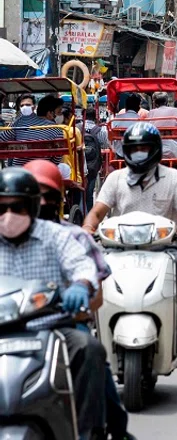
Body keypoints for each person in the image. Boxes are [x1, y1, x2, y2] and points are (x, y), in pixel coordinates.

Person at [24, 160, 134, 440]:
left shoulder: (73, 237)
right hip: (15, 329)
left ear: (59, 199)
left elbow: (95, 294)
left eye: (49, 196)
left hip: (63, 325)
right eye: (36, 196)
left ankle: (98, 429)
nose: (43, 203)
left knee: (90, 351)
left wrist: (79, 298)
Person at [0, 168, 107, 439]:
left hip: (52, 327)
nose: (8, 215)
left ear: (33, 206)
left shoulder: (57, 235)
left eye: (17, 207)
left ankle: (86, 432)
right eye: (2, 207)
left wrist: (81, 285)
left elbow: (81, 264)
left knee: (88, 349)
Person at [83, 123, 177, 361]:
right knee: (89, 272)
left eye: (145, 148)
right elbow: (97, 212)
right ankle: (90, 329)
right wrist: (87, 228)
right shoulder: (115, 178)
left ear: (156, 150)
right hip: (117, 249)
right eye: (134, 149)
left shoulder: (173, 178)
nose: (140, 154)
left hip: (162, 248)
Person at [1, 94, 65, 166]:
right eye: (22, 106)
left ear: (34, 107)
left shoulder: (18, 123)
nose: (25, 107)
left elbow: (3, 139)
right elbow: (58, 156)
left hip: (19, 169)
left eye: (28, 105)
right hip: (43, 169)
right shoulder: (58, 130)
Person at [146, 91, 177, 160]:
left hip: (155, 144)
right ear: (167, 102)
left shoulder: (151, 112)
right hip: (172, 144)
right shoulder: (175, 111)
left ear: (155, 103)